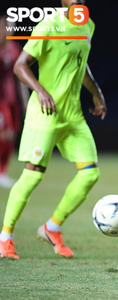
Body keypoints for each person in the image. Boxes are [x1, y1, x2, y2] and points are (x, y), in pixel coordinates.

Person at [0, 0, 107, 259]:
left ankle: (52, 227)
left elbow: (80, 64)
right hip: (45, 114)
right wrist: (41, 91)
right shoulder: (49, 24)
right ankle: (5, 238)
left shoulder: (87, 24)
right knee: (33, 175)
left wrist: (96, 92)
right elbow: (20, 65)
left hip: (72, 116)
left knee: (90, 174)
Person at [0, 15, 29, 189]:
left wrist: (24, 100)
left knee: (12, 134)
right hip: (0, 101)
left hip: (12, 100)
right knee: (3, 133)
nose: (7, 31)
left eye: (10, 27)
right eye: (4, 27)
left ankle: (3, 172)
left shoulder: (15, 49)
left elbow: (19, 77)